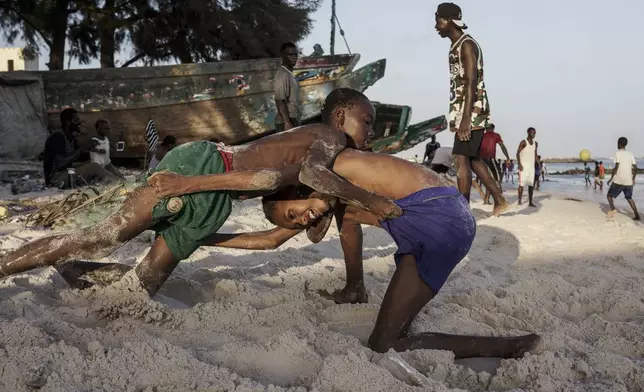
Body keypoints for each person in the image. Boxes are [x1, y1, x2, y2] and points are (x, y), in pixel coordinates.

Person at [0, 88, 401, 296]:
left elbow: (270, 240)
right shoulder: (327, 136)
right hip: (207, 167)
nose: (369, 132)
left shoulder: (326, 169)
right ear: (341, 116)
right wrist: (373, 200)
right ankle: (9, 266)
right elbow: (271, 180)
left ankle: (64, 265)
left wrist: (355, 283)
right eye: (366, 122)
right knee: (101, 238)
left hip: (217, 201)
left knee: (141, 287)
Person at [259, 148, 542, 358]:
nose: (302, 220)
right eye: (294, 222)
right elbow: (295, 234)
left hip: (439, 228)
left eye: (293, 212)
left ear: (299, 190)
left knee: (383, 344)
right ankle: (354, 287)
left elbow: (286, 234)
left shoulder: (341, 168)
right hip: (445, 218)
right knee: (347, 219)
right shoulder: (344, 199)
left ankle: (506, 347)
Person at [434, 3, 509, 216]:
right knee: (472, 159)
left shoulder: (467, 45)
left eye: (438, 20)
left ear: (448, 21)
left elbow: (471, 81)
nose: (435, 25)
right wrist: (456, 116)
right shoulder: (455, 45)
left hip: (473, 112)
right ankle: (500, 200)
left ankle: (462, 210)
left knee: (460, 158)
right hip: (464, 111)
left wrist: (466, 118)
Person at [43, 108, 121, 188]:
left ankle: (120, 178)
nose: (79, 122)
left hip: (67, 172)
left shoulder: (71, 137)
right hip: (55, 179)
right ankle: (117, 184)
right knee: (93, 166)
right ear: (68, 122)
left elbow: (76, 155)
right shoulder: (57, 137)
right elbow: (60, 164)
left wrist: (94, 151)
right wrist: (82, 148)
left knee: (96, 162)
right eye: (76, 120)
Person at [606, 137, 639, 220]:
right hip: (628, 181)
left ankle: (613, 211)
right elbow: (635, 168)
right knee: (629, 198)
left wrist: (611, 178)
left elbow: (616, 167)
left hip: (619, 180)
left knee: (609, 196)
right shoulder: (631, 154)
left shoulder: (617, 153)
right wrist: (633, 178)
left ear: (619, 144)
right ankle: (637, 215)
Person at [478, 124, 510, 204]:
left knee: (488, 179)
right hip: (490, 159)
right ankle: (501, 200)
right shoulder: (495, 135)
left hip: (480, 160)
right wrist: (507, 157)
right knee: (497, 179)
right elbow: (502, 146)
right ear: (493, 128)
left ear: (485, 129)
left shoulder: (481, 136)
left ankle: (486, 200)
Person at [274, 42, 302, 132]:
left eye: (295, 54)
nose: (294, 57)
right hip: (286, 122)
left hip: (293, 119)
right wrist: (287, 123)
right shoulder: (282, 74)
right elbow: (280, 100)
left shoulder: (289, 74)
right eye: (290, 54)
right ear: (283, 56)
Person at [517, 127, 538, 207]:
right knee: (521, 185)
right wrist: (519, 164)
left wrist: (538, 164)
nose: (534, 134)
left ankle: (530, 202)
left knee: (531, 185)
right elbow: (517, 153)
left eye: (535, 133)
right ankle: (519, 200)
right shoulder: (523, 142)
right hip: (523, 167)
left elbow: (535, 155)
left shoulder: (535, 143)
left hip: (531, 168)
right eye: (533, 133)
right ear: (528, 133)